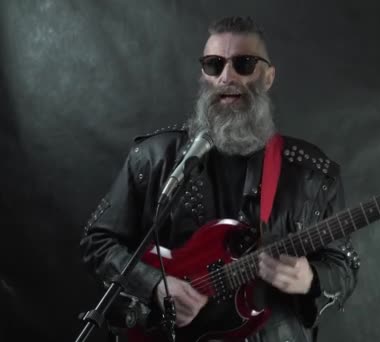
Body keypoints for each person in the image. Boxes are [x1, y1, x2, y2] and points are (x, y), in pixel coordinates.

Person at [80, 16, 359, 342]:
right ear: (204, 76)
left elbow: (345, 265)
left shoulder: (313, 173)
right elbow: (97, 241)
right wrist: (154, 284)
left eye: (244, 64)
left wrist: (311, 277)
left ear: (268, 77)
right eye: (214, 65)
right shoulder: (155, 157)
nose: (227, 76)